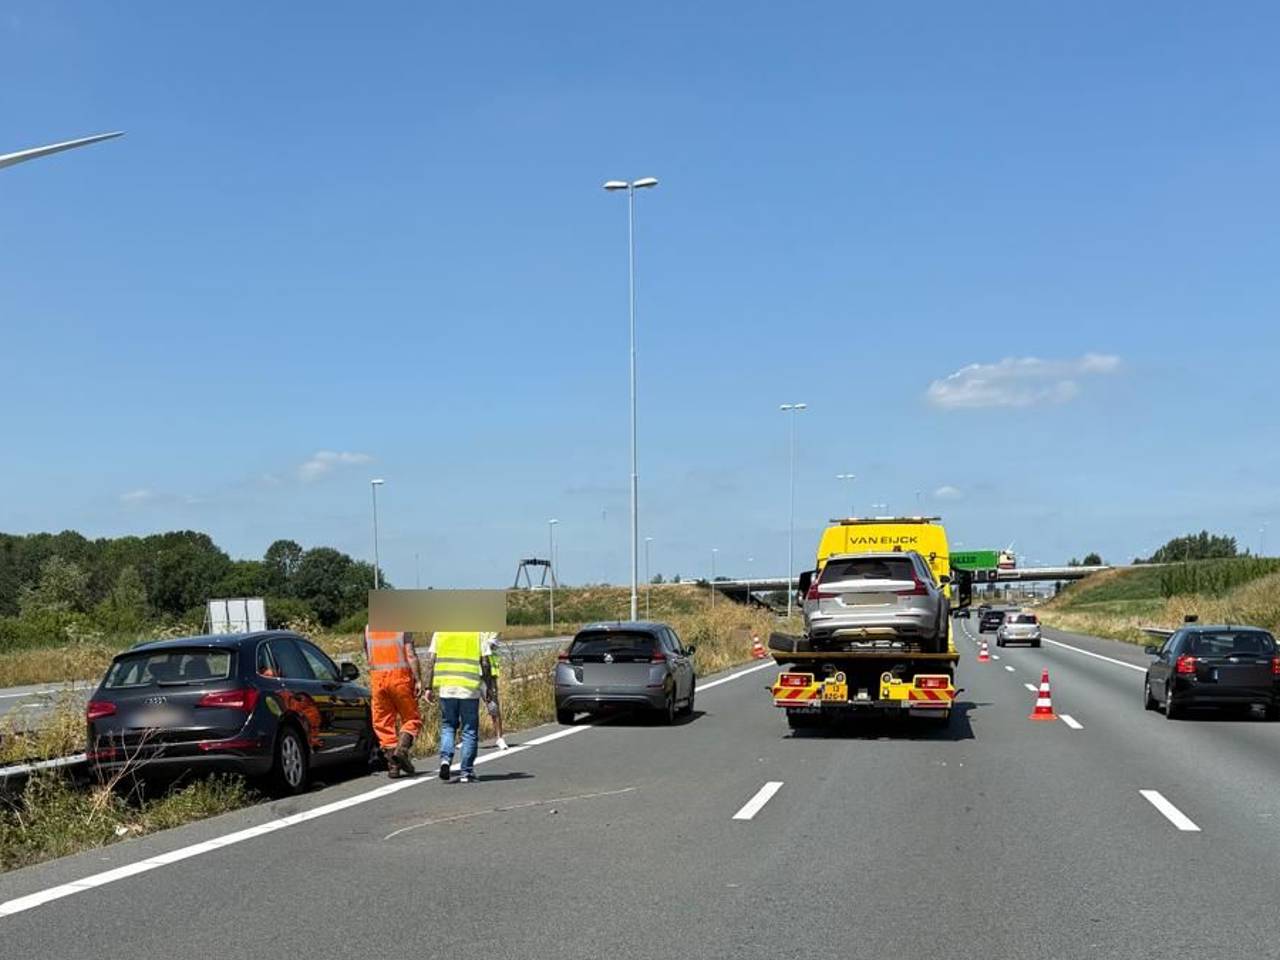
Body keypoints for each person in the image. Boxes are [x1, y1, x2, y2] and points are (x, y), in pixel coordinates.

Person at [424, 630, 494, 783]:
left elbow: (430, 661)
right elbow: (485, 663)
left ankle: (445, 761)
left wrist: (428, 687)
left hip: (446, 688)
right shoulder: (477, 634)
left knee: (448, 726)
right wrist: (488, 687)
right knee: (469, 730)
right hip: (469, 690)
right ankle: (466, 772)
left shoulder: (440, 633)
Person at [363, 626, 424, 778]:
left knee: (383, 723)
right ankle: (401, 750)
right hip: (400, 679)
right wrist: (418, 679)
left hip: (377, 680)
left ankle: (393, 766)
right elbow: (410, 655)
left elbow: (368, 654)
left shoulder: (369, 628)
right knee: (412, 718)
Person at [483, 632, 508, 751]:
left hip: (488, 673)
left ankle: (499, 737)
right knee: (468, 707)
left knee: (493, 705)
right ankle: (467, 737)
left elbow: (491, 645)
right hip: (471, 671)